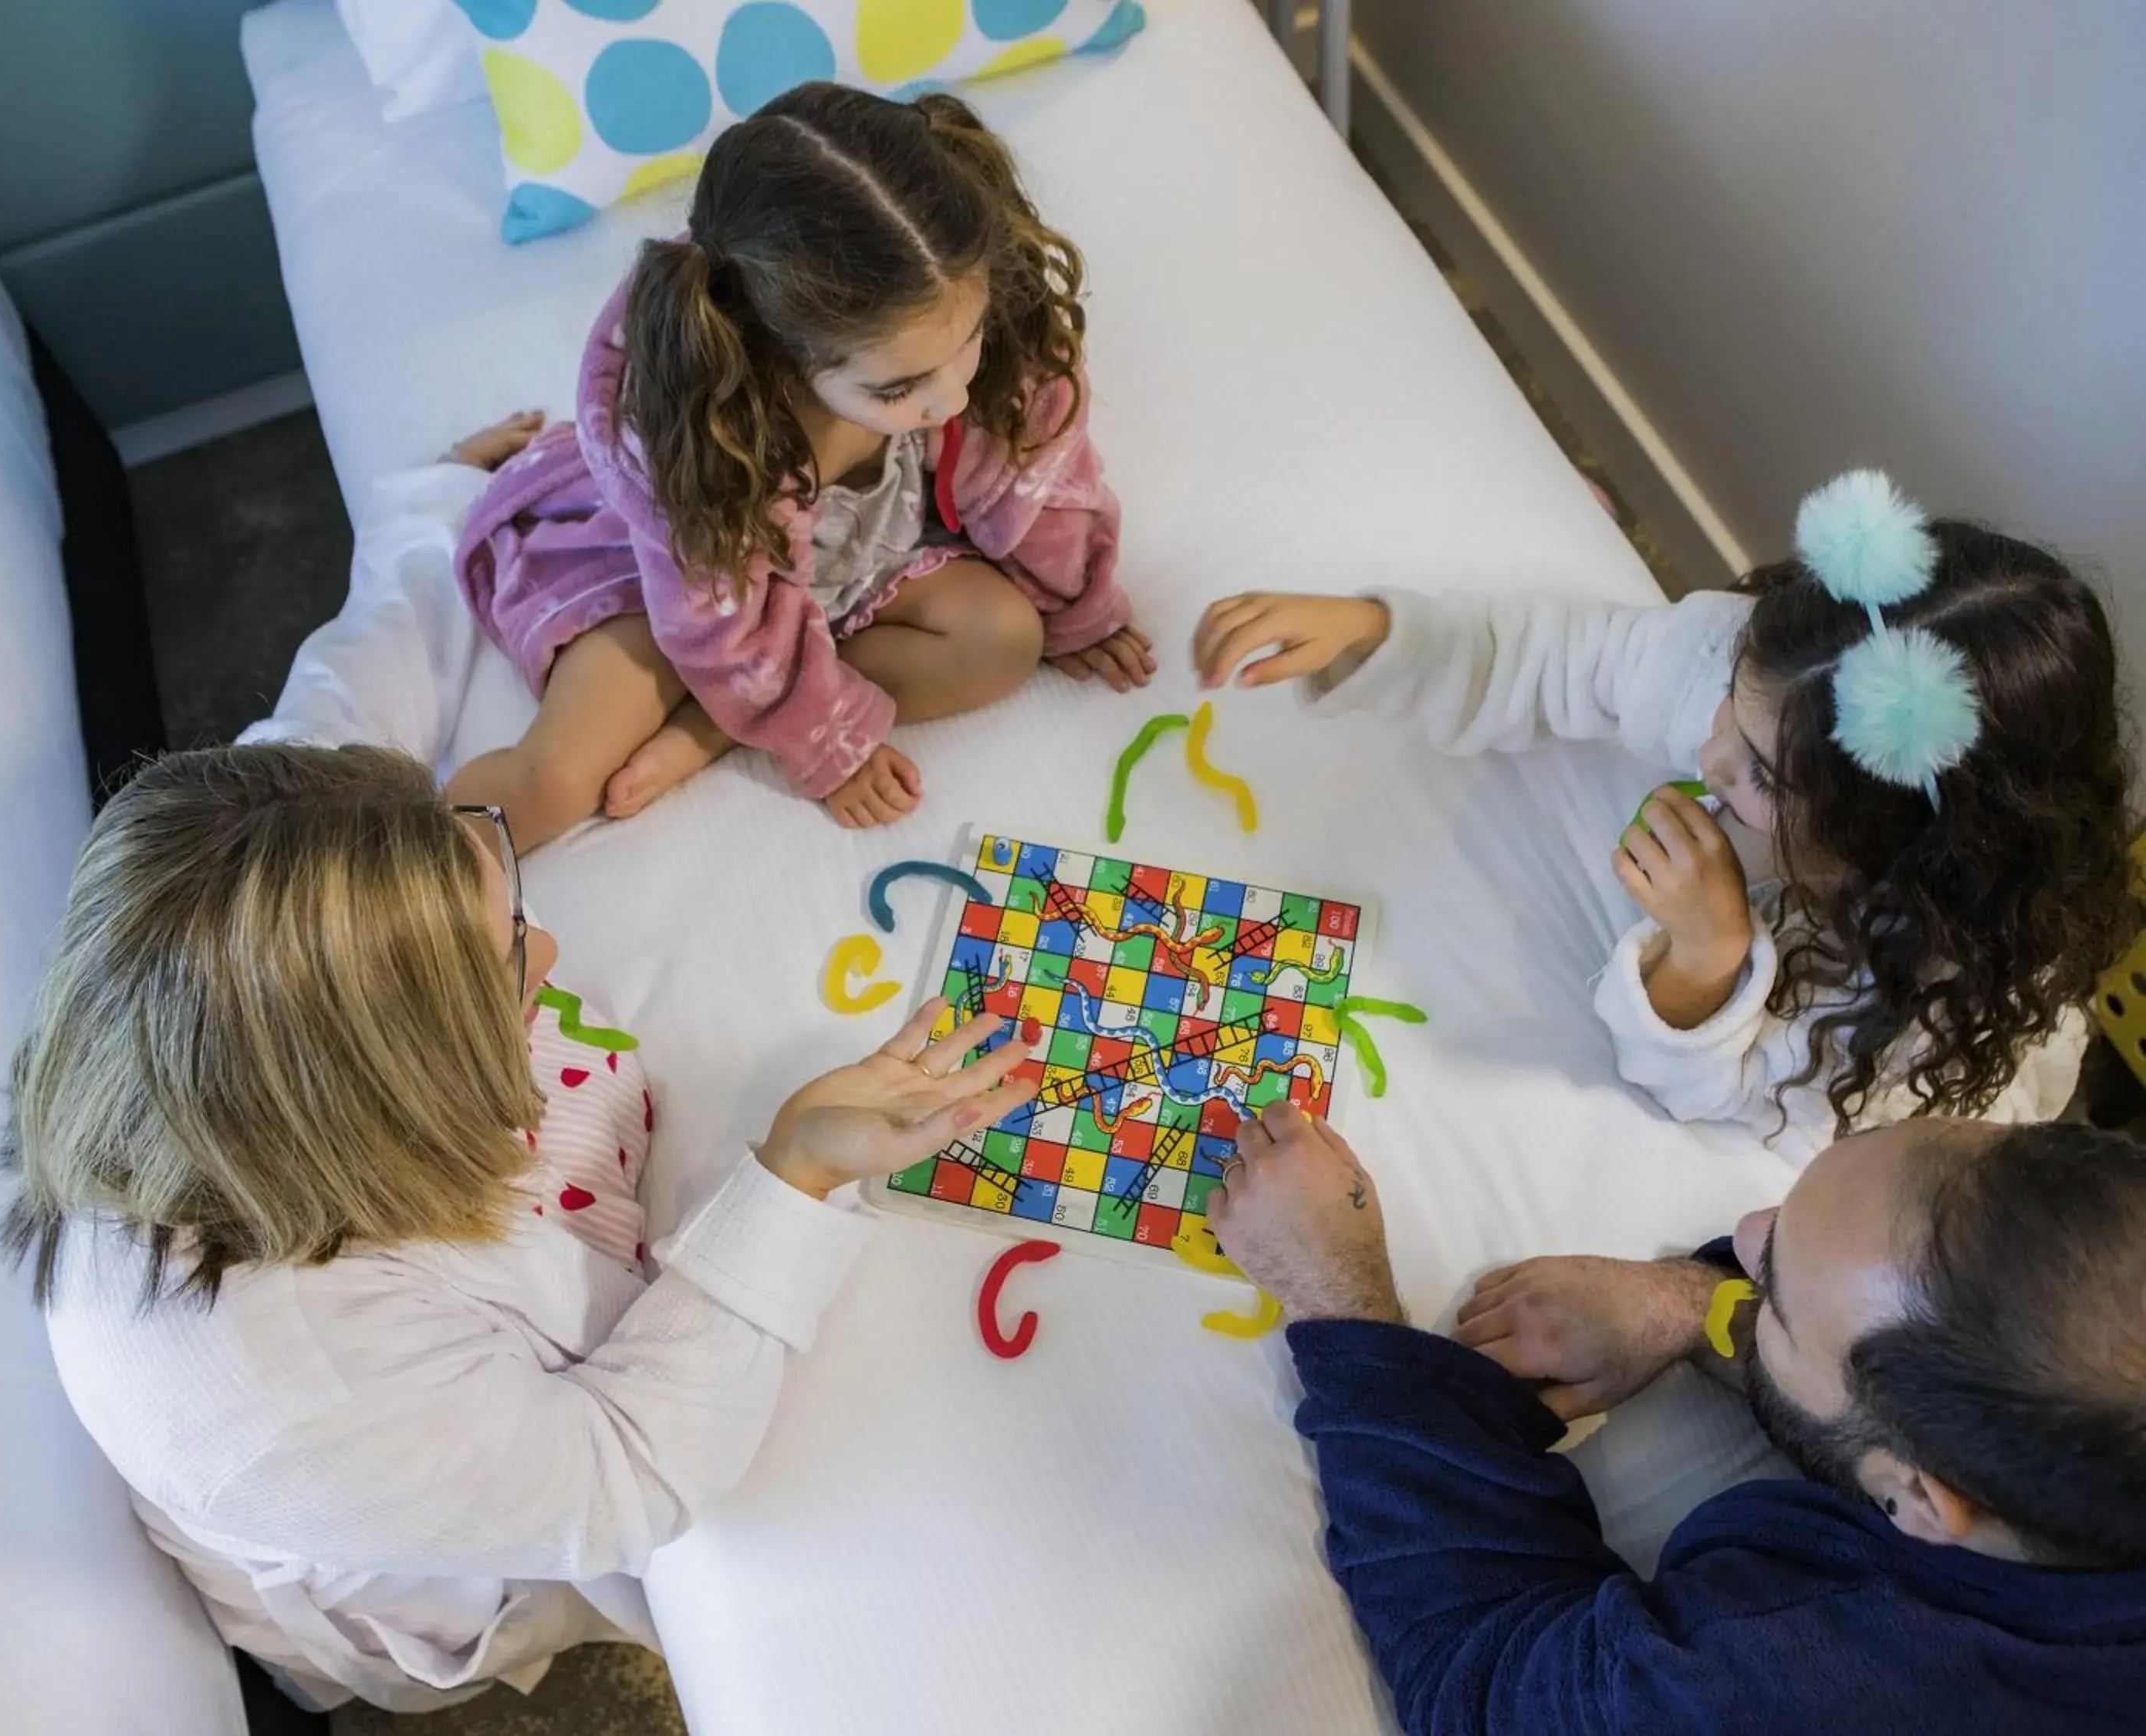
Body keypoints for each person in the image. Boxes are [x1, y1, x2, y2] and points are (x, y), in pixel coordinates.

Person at [2, 742, 1033, 1714]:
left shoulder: (195, 1018)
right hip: (413, 1560)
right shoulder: (303, 1388)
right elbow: (622, 1479)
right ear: (374, 1085)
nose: (547, 947)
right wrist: (796, 1170)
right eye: (507, 955)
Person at [1192, 473, 2137, 1160]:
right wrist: (1385, 636)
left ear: (1887, 846)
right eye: (1733, 698)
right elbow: (1563, 655)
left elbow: (1774, 1112)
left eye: (1763, 778)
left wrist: (1706, 961)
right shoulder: (1764, 676)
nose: (1711, 752)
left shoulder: (1928, 995)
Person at [1206, 1100, 2146, 1734]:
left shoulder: (1828, 1681)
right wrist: (1695, 1304)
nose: (1742, 1234)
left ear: (1912, 1501)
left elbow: (1486, 1678)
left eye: (1770, 1290)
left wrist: (1337, 1295)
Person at [447, 82, 1151, 844]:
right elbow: (715, 626)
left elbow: (1042, 464)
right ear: (782, 359)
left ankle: (731, 718)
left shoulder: (958, 327)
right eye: (900, 388)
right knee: (551, 784)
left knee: (1005, 639)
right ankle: (360, 891)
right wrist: (822, 740)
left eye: (968, 340)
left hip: (837, 577)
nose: (951, 399)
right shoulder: (712, 435)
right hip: (676, 583)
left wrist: (1079, 604)